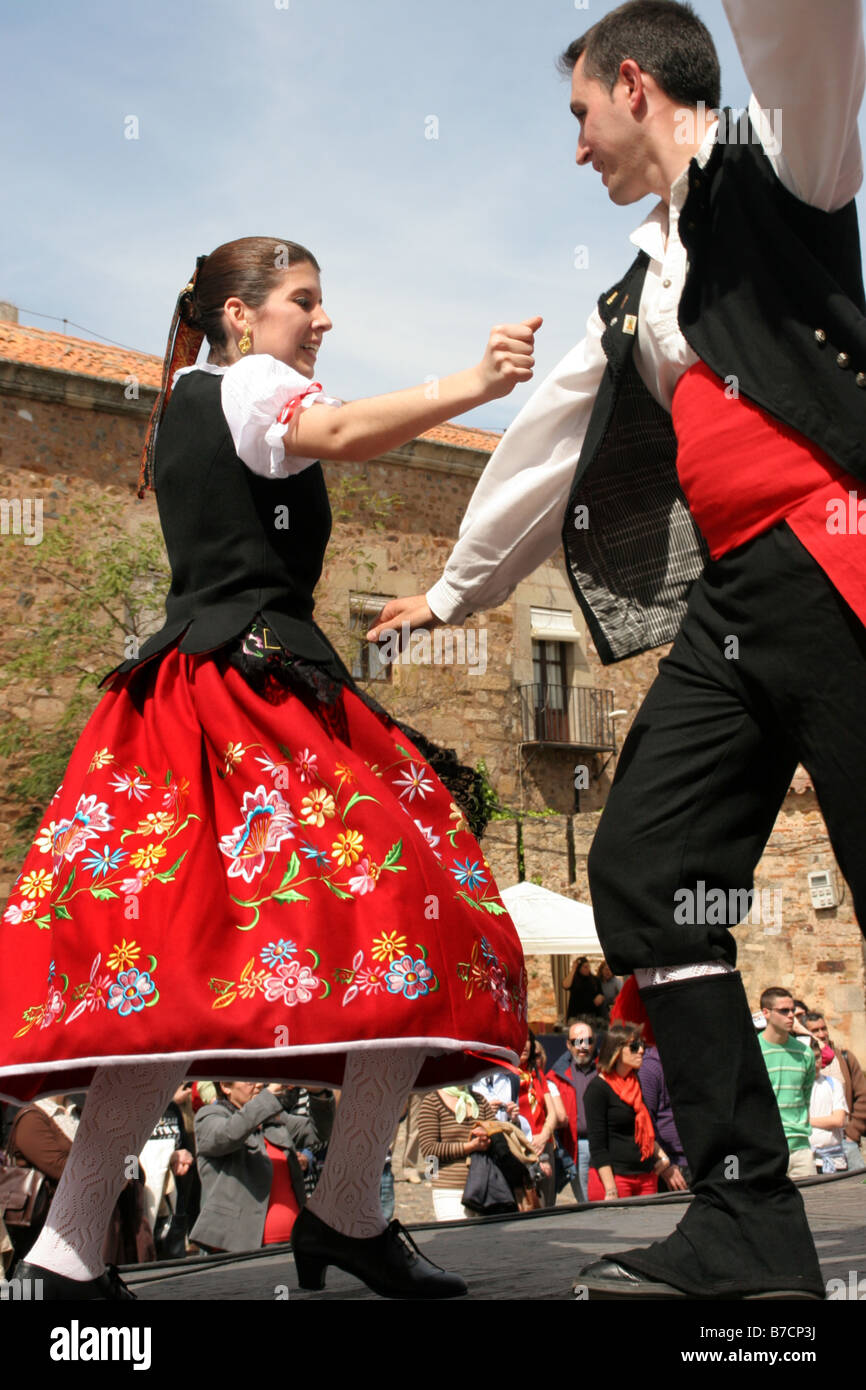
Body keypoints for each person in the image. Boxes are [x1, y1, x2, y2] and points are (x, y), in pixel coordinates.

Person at [368, 0, 863, 1299]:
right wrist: (451, 590)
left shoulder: (786, 164)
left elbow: (806, 27)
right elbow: (539, 449)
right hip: (737, 606)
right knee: (646, 869)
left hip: (839, 558)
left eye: (579, 115)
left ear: (633, 83)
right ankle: (748, 1226)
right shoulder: (638, 290)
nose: (573, 147)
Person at [1, 235, 537, 1300]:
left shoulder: (188, 398)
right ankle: (341, 1207)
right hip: (248, 698)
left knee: (167, 965)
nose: (323, 319)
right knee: (413, 911)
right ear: (241, 315)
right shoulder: (250, 383)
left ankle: (74, 1248)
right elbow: (335, 430)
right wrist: (470, 385)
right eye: (306, 301)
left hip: (190, 695)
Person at [191, 1082, 316, 1252]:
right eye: (250, 1081)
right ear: (226, 1087)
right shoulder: (209, 1116)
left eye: (260, 1081)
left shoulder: (272, 1119)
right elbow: (227, 1135)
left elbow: (317, 1131)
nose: (258, 1086)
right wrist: (268, 1098)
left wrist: (319, 1094)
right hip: (242, 1249)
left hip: (294, 1242)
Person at [584, 1022, 686, 1200]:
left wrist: (662, 1157)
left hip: (646, 1176)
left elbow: (643, 1132)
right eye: (634, 1046)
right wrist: (610, 1190)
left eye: (642, 1046)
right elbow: (598, 1146)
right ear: (616, 1050)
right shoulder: (598, 1089)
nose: (641, 1051)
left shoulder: (634, 1083)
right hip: (617, 1179)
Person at [758, 989, 815, 1180]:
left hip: (801, 1149)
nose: (791, 1015)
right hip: (766, 1148)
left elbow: (805, 1099)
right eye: (783, 1011)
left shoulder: (805, 1053)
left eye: (792, 1010)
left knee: (814, 1207)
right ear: (766, 1013)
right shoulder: (753, 1053)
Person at [417, 1087, 496, 1221]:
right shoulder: (431, 1102)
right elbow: (428, 1150)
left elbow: (497, 1137)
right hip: (449, 1188)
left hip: (484, 1187)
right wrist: (469, 1147)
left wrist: (488, 1135)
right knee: (457, 1239)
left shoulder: (480, 1101)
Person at [804, 1011, 866, 1172]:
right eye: (815, 1031)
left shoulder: (844, 1057)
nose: (821, 1034)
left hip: (846, 1139)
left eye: (823, 1028)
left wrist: (853, 1132)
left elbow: (862, 1096)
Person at [546, 1016, 598, 1201]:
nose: (583, 1046)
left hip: (607, 1145)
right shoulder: (556, 1076)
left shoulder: (606, 1069)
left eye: (588, 1041)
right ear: (568, 1044)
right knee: (586, 1202)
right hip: (578, 1146)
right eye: (577, 1041)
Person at [807, 1039, 849, 1174]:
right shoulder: (797, 1088)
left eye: (817, 1057)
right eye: (810, 1058)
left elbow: (839, 1120)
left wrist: (807, 1121)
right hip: (810, 1161)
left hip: (835, 1159)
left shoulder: (833, 1084)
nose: (815, 1063)